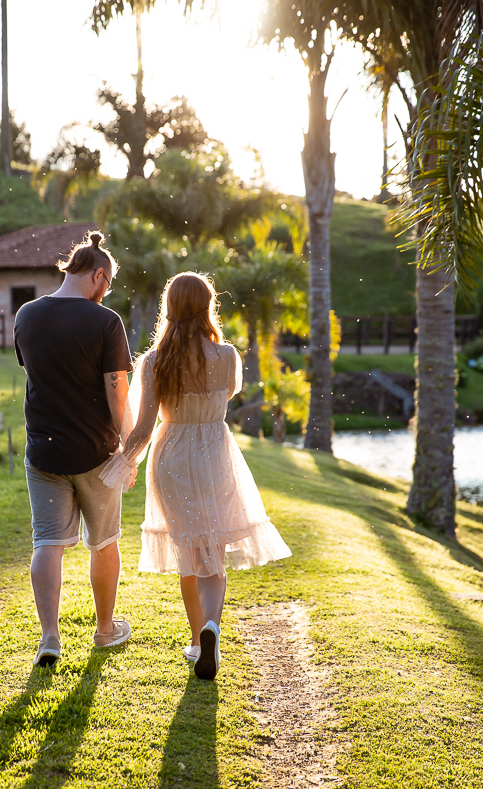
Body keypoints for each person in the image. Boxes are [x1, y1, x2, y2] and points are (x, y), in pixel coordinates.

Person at [101, 272, 291, 680]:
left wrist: (124, 461)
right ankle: (212, 627)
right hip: (213, 452)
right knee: (213, 550)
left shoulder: (153, 362)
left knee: (188, 548)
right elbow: (226, 395)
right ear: (208, 306)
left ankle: (195, 639)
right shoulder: (227, 357)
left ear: (169, 307)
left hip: (171, 457)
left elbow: (145, 427)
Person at [14, 231, 137, 668]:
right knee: (103, 543)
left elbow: (36, 375)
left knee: (47, 543)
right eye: (108, 283)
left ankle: (50, 638)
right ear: (98, 275)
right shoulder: (105, 323)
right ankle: (105, 632)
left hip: (43, 453)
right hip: (97, 454)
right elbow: (117, 394)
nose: (108, 293)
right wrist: (129, 449)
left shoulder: (26, 315)